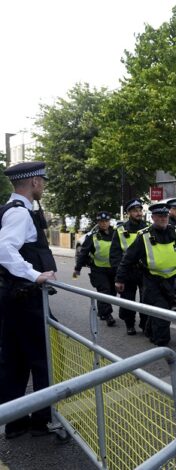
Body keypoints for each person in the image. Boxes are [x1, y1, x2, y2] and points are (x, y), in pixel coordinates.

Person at [0, 161, 57, 439]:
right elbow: (4, 249)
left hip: (14, 300)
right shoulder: (20, 213)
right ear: (34, 182)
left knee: (15, 361)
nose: (43, 186)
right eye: (42, 181)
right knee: (44, 358)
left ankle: (15, 421)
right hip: (25, 300)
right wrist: (34, 275)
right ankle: (42, 421)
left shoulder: (13, 210)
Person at [115, 203, 176, 346]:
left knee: (164, 310)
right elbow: (128, 258)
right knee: (162, 312)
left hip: (172, 280)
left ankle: (150, 330)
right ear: (152, 218)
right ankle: (162, 343)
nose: (163, 219)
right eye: (159, 216)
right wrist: (120, 279)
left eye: (165, 216)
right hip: (153, 281)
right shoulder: (144, 236)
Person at [110, 198, 149, 335]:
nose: (138, 213)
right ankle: (129, 324)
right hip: (128, 272)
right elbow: (115, 255)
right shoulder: (121, 230)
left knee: (146, 300)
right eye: (135, 211)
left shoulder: (148, 228)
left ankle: (145, 324)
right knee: (128, 300)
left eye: (139, 210)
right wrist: (119, 276)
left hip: (145, 271)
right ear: (128, 213)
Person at [73, 211, 117, 327]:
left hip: (113, 269)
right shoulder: (92, 236)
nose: (104, 224)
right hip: (98, 269)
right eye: (101, 222)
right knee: (104, 291)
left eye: (106, 221)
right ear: (98, 223)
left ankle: (102, 312)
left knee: (112, 292)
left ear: (109, 221)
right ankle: (108, 315)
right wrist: (77, 269)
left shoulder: (116, 234)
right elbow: (83, 253)